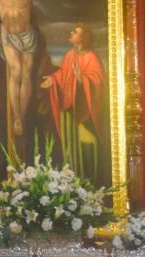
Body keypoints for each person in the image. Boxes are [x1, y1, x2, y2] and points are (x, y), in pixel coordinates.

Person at [40, 24, 104, 182]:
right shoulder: (69, 55)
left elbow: (98, 81)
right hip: (68, 109)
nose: (71, 33)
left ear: (82, 38)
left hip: (83, 110)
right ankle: (72, 176)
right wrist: (53, 79)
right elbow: (63, 74)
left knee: (86, 141)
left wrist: (82, 78)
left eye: (75, 32)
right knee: (70, 143)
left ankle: (87, 178)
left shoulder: (91, 57)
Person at [0, 0, 36, 137]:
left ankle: (21, 116)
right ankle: (16, 116)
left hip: (27, 35)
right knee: (16, 71)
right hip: (8, 35)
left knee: (26, 74)